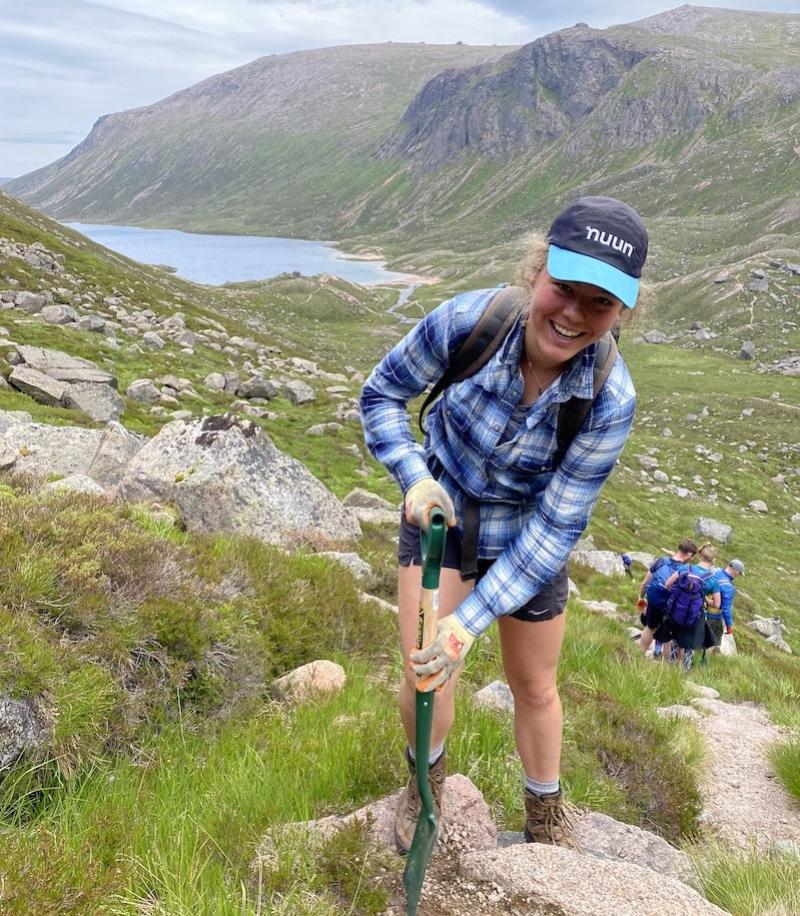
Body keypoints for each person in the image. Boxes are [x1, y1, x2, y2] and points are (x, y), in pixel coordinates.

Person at [360, 196, 648, 852]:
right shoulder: (469, 321)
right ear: (536, 272)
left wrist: (470, 623)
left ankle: (545, 821)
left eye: (599, 305)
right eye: (564, 289)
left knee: (536, 686)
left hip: (528, 538)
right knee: (425, 671)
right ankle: (424, 794)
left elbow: (556, 526)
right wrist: (414, 475)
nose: (574, 315)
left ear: (621, 312)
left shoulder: (611, 398)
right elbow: (381, 394)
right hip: (445, 517)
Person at [661, 542, 721, 672]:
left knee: (672, 639)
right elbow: (717, 604)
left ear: (700, 555)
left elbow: (667, 584)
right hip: (694, 616)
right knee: (688, 644)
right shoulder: (712, 580)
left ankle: (666, 669)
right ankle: (682, 671)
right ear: (713, 560)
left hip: (676, 611)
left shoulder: (685, 568)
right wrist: (705, 600)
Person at [637, 540, 698, 656]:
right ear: (689, 554)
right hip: (671, 606)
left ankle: (639, 655)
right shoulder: (686, 569)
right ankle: (665, 667)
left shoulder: (661, 561)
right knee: (668, 637)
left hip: (654, 600)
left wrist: (641, 598)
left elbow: (645, 583)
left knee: (650, 628)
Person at [705, 558, 743, 654]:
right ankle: (703, 662)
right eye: (739, 573)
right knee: (712, 641)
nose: (738, 576)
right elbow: (726, 609)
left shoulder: (714, 570)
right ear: (736, 571)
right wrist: (729, 625)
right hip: (713, 616)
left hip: (699, 609)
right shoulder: (728, 587)